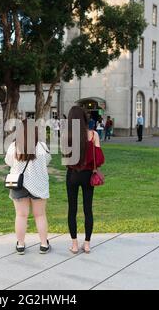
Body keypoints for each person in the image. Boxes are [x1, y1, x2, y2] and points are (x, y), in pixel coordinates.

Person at [5, 119, 52, 255]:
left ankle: (20, 244)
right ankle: (43, 244)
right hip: (38, 184)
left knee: (21, 215)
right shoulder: (42, 147)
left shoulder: (14, 146)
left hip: (18, 185)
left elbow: (8, 162)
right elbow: (47, 161)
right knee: (40, 215)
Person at [64, 106, 105, 254]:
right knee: (88, 209)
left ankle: (74, 244)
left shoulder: (67, 136)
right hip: (88, 175)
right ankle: (87, 243)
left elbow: (65, 158)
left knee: (72, 209)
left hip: (73, 174)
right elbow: (100, 159)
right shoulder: (93, 135)